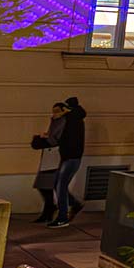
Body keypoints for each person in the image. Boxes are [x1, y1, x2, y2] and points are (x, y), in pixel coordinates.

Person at [51, 96, 87, 227]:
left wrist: (54, 120)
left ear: (66, 109)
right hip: (71, 157)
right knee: (58, 184)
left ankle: (63, 217)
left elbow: (56, 136)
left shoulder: (69, 120)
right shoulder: (76, 119)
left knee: (60, 185)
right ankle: (74, 204)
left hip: (70, 157)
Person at [32, 101, 69, 224]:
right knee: (44, 185)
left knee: (47, 185)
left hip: (54, 157)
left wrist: (45, 137)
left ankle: (50, 210)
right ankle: (48, 210)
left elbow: (56, 139)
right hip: (49, 156)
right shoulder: (55, 121)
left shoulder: (63, 121)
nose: (54, 113)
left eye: (57, 111)